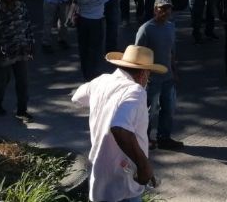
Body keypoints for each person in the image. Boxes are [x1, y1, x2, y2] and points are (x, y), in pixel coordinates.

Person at [71, 45, 166, 202]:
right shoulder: (135, 91)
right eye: (148, 76)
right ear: (143, 73)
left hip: (99, 178)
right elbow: (120, 128)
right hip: (123, 183)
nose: (147, 81)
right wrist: (144, 166)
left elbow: (77, 98)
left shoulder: (100, 81)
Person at [135, 0, 183, 150]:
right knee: (149, 112)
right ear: (155, 9)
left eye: (168, 8)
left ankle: (164, 138)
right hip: (151, 79)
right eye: (162, 8)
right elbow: (136, 55)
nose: (166, 12)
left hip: (168, 77)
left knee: (168, 109)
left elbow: (172, 51)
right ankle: (144, 140)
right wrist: (139, 79)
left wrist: (174, 71)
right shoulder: (146, 29)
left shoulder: (170, 26)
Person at [0, 0, 35, 121]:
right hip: (3, 52)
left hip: (21, 50)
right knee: (1, 82)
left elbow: (28, 26)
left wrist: (31, 43)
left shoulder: (22, 7)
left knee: (23, 82)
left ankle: (22, 110)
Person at [63, 0, 114, 81]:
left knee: (83, 47)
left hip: (83, 21)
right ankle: (95, 73)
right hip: (97, 21)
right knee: (96, 48)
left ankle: (86, 73)